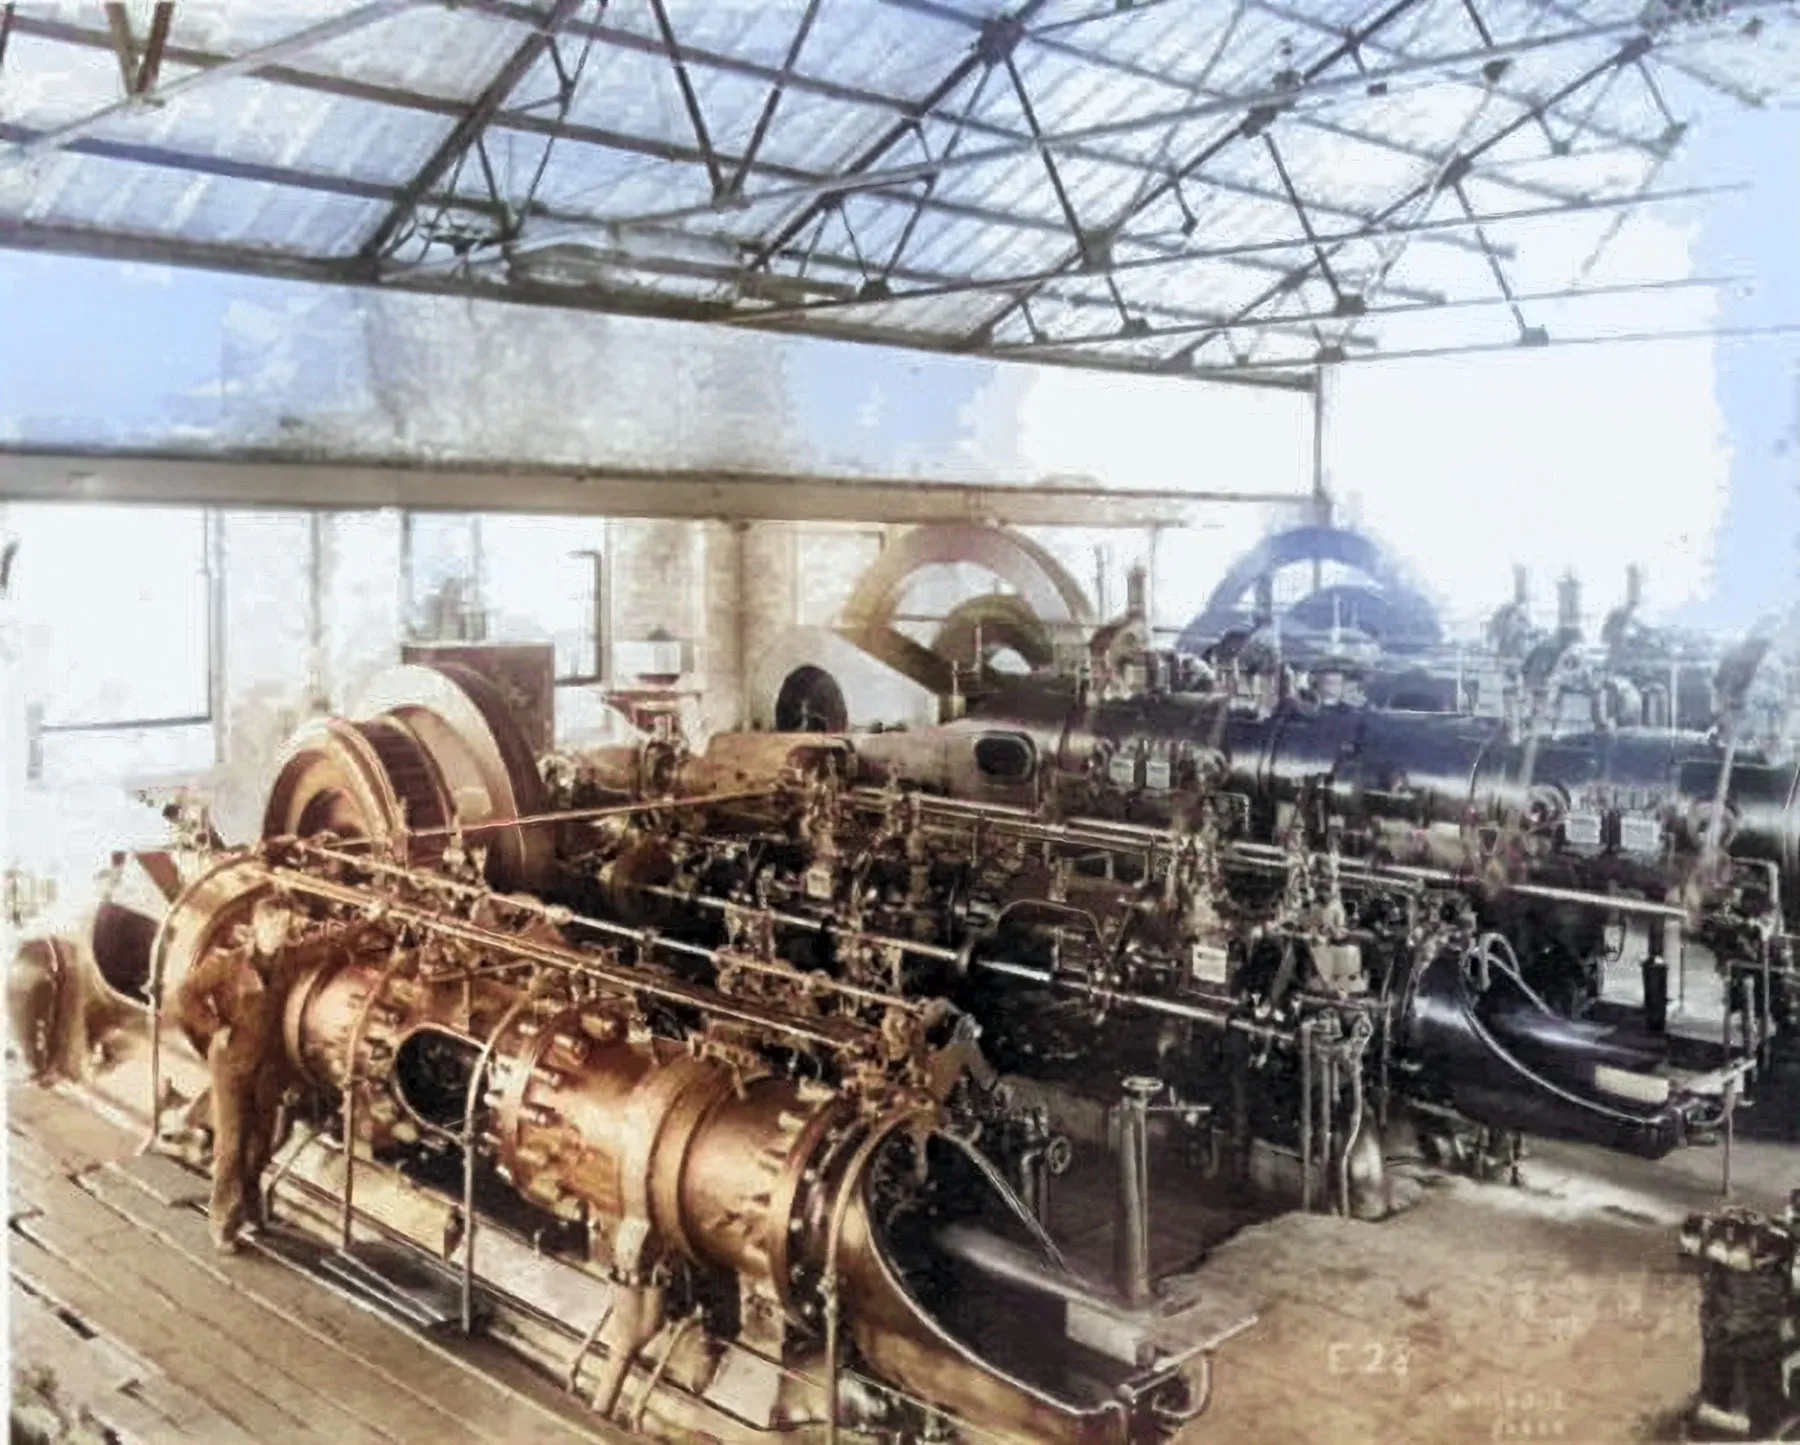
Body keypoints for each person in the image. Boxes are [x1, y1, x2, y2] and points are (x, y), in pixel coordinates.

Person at [175, 894, 367, 1252]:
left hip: (269, 1068)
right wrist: (214, 1028)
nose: (283, 931)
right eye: (277, 925)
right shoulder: (228, 964)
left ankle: (249, 1207)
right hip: (232, 1066)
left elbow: (329, 943)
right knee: (231, 1147)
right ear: (260, 924)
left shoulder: (291, 958)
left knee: (262, 1143)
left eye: (286, 925)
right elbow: (185, 995)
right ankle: (222, 1223)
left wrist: (371, 919)